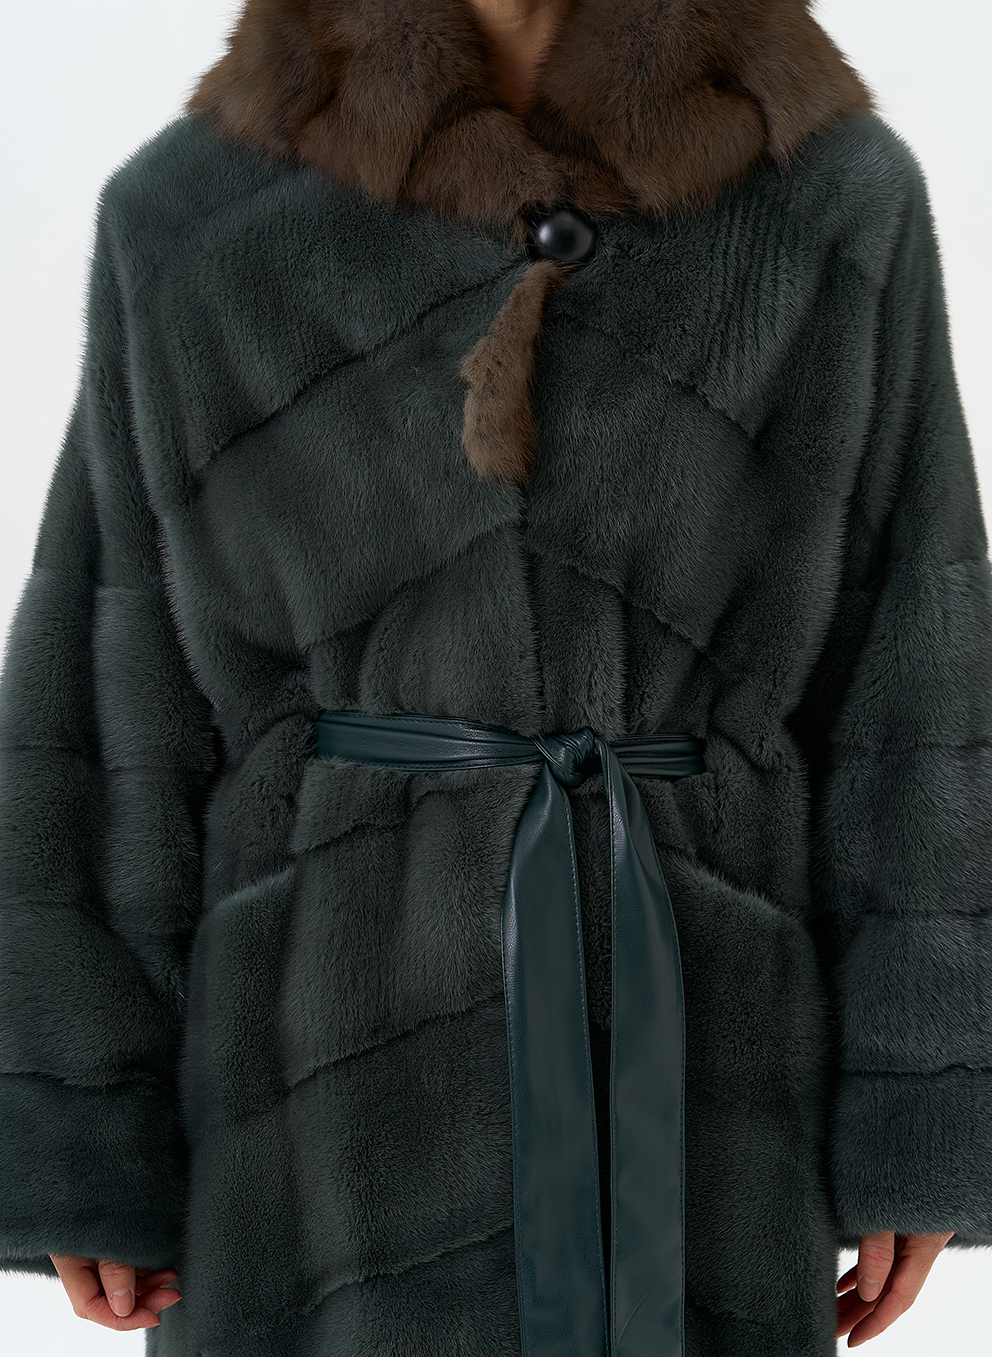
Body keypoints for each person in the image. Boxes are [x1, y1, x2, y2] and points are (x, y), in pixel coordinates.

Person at [1, 2, 988, 1355]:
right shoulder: (194, 215)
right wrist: (81, 1133)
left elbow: (916, 685)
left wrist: (922, 1116)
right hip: (307, 1107)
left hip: (706, 1070)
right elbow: (112, 689)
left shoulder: (827, 200)